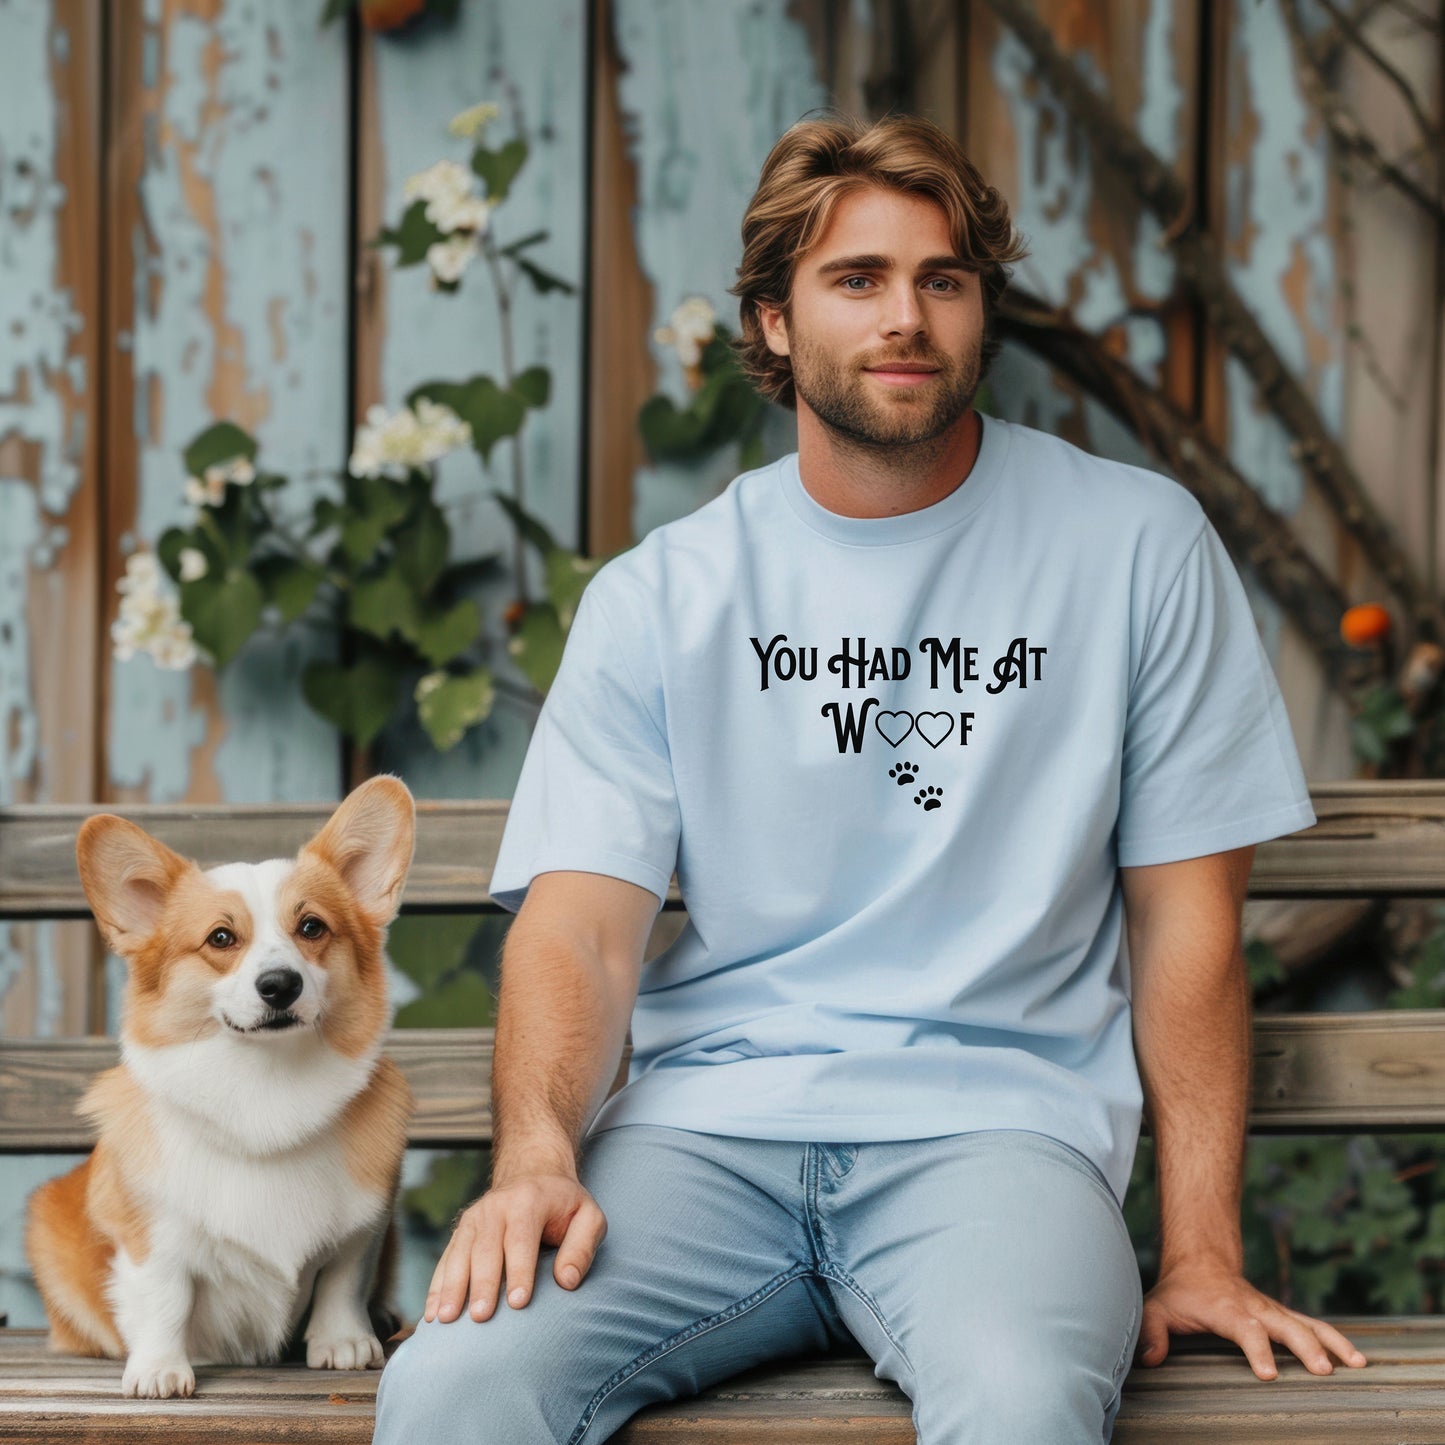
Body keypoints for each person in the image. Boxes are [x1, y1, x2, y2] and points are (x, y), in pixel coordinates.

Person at [372, 112, 1367, 1445]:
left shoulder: (1133, 547)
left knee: (1020, 1403)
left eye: (941, 280)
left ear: (976, 309)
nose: (906, 315)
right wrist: (538, 1156)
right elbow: (579, 930)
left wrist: (1195, 1247)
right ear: (774, 321)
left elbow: (1184, 922)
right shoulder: (661, 595)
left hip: (998, 1139)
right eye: (857, 279)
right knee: (452, 1389)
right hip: (698, 1137)